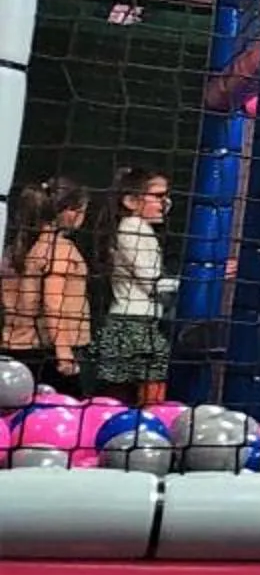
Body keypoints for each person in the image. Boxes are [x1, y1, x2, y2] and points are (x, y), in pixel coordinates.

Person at [84, 167, 172, 404]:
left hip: (135, 321)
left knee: (123, 394)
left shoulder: (138, 228)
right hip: (133, 323)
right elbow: (151, 281)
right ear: (131, 201)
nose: (165, 203)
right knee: (142, 395)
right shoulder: (133, 227)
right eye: (158, 196)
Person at [3, 178, 93, 388]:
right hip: (48, 354)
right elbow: (54, 302)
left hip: (15, 347)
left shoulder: (13, 249)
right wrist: (63, 353)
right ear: (70, 211)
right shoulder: (59, 250)